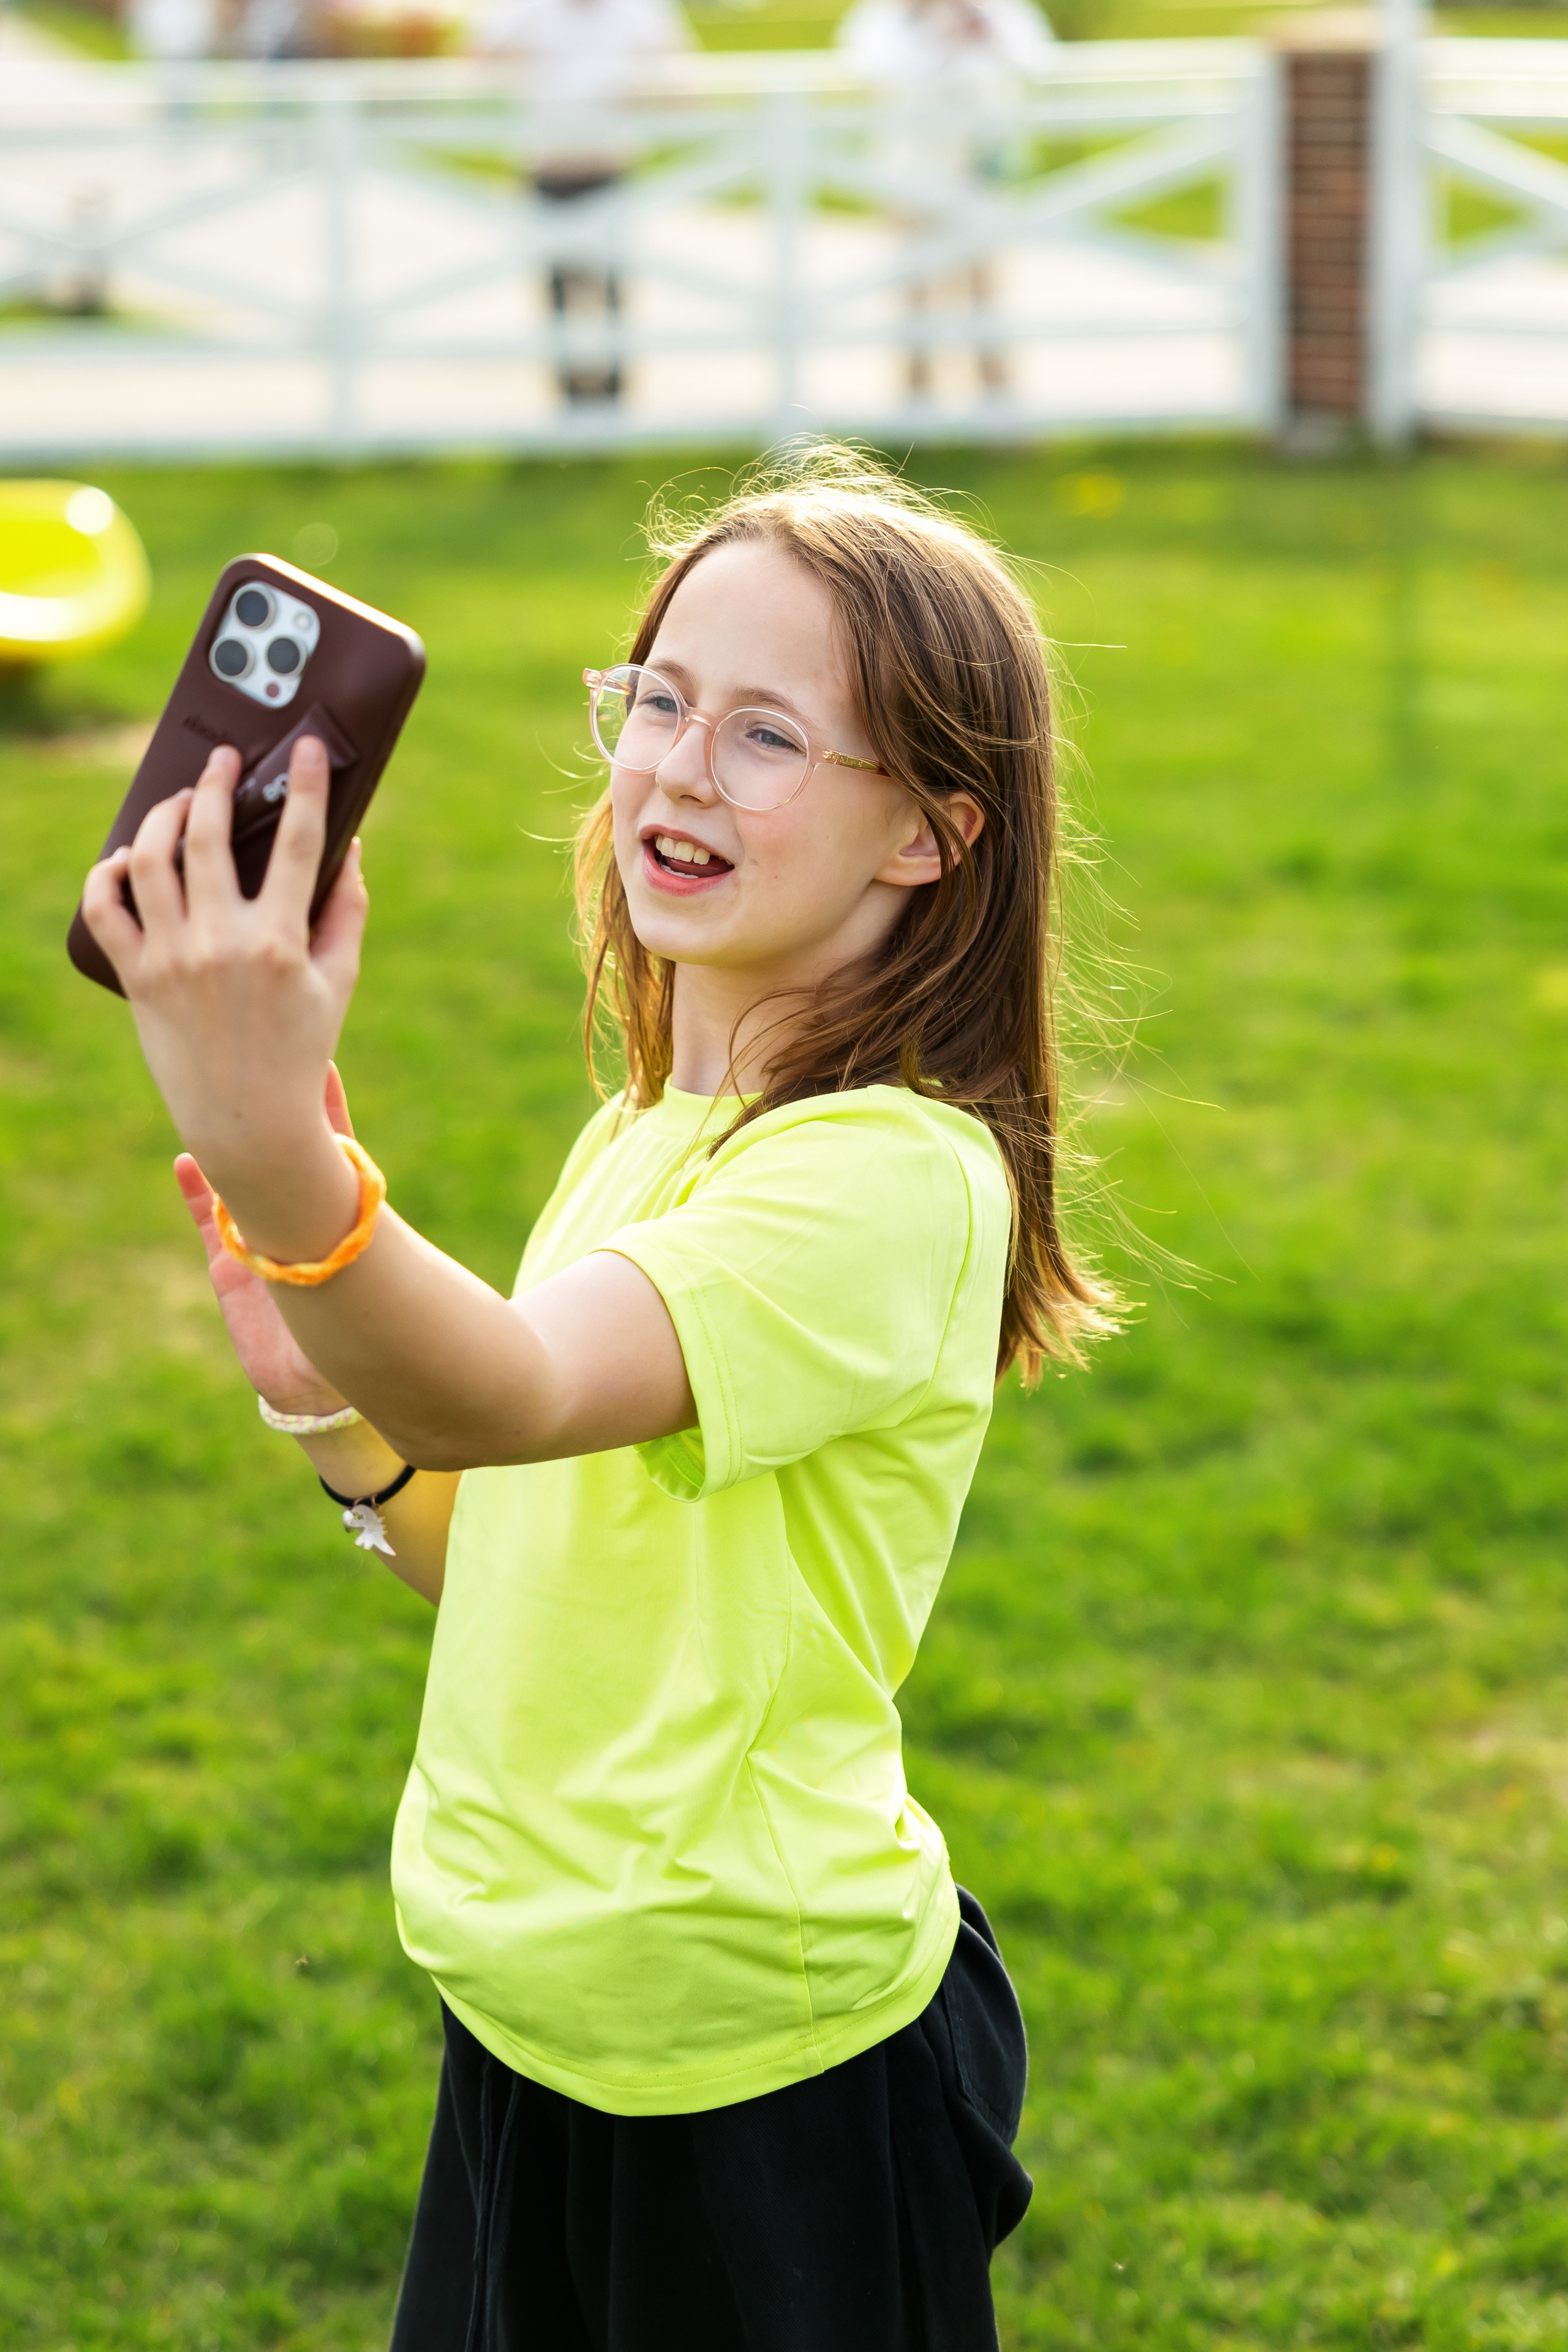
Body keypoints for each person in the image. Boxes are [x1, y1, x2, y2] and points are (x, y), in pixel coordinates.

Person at [81, 447, 1114, 2350]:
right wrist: (332, 1407)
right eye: (657, 699)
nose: (673, 766)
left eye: (768, 736)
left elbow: (517, 1378)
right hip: (536, 2008)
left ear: (930, 834)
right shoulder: (648, 1127)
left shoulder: (892, 1179)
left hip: (758, 2064)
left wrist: (273, 1146)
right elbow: (507, 1539)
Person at [473, 0, 693, 404]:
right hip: (547, 164)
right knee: (557, 285)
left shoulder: (640, 12)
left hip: (608, 165)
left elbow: (683, 83)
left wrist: (639, 91)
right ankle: (569, 392)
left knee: (610, 285)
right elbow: (478, 65)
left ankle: (611, 392)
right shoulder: (524, 11)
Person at [837, 0, 1055, 401]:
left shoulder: (998, 11)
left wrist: (985, 31)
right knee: (915, 294)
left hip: (980, 175)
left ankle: (999, 406)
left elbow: (1038, 62)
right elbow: (869, 68)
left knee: (986, 294)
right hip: (912, 175)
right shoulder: (887, 18)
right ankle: (915, 408)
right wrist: (940, 38)